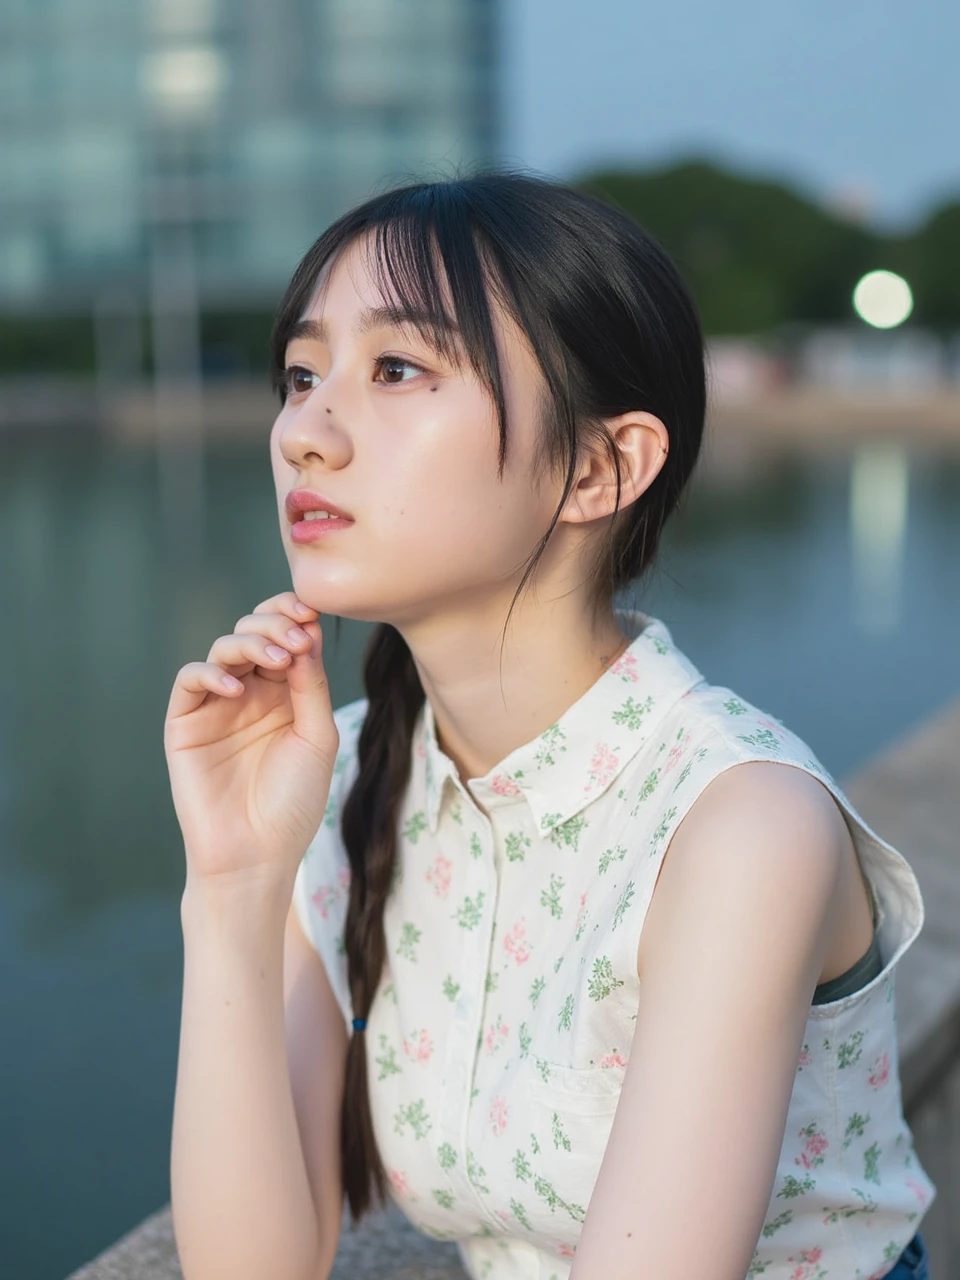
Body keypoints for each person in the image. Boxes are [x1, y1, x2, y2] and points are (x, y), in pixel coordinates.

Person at [164, 172, 935, 1280]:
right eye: (300, 372)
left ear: (598, 466)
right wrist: (231, 883)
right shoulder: (340, 785)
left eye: (396, 368)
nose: (304, 433)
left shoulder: (737, 823)